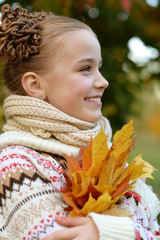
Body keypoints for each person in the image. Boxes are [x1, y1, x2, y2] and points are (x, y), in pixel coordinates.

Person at [0, 4, 159, 240]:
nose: (103, 81)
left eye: (100, 68)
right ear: (35, 85)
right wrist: (130, 227)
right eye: (86, 68)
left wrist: (112, 230)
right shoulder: (15, 164)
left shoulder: (112, 161)